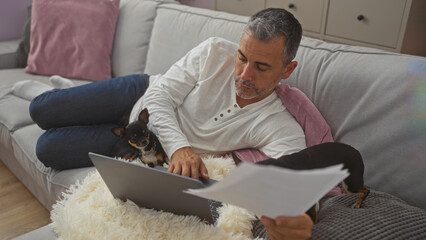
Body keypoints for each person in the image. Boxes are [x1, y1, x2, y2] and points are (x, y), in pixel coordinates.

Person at [29, 8, 361, 240]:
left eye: (261, 66)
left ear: (287, 70)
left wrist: (296, 217)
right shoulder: (214, 50)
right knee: (41, 109)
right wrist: (182, 147)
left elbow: (291, 177)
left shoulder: (279, 124)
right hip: (143, 94)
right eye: (242, 57)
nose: (244, 75)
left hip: (141, 142)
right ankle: (63, 87)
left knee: (48, 148)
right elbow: (159, 97)